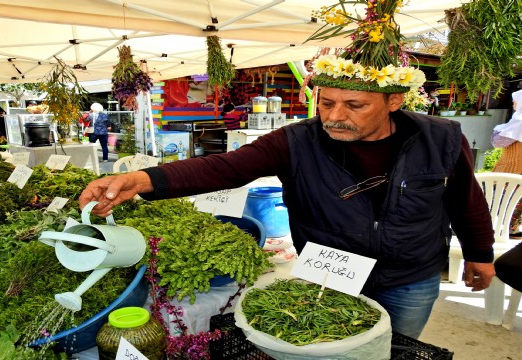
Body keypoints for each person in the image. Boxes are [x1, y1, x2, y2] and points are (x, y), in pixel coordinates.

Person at [79, 1, 496, 340]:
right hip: (331, 272)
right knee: (330, 343)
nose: (335, 116)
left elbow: (465, 200)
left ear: (393, 102)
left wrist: (480, 254)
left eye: (354, 106)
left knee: (398, 347)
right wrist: (142, 180)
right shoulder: (297, 140)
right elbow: (224, 168)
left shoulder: (439, 138)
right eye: (327, 102)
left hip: (410, 276)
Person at [490, 89, 522, 238]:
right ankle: (512, 231)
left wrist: (496, 130)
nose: (513, 104)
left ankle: (503, 231)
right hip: (515, 169)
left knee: (501, 201)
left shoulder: (519, 120)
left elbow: (498, 141)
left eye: (515, 100)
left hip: (512, 169)